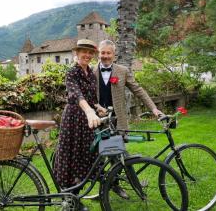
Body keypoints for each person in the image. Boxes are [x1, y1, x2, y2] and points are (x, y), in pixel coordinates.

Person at [93, 39, 163, 199]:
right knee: (99, 157)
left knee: (119, 154)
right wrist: (96, 108)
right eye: (102, 53)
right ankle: (107, 186)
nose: (105, 56)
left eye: (108, 53)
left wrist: (154, 108)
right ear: (99, 53)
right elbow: (87, 96)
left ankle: (117, 186)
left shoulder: (122, 71)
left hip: (118, 121)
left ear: (114, 54)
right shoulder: (91, 72)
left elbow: (139, 90)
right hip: (98, 122)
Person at [53, 39, 104, 211]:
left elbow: (90, 98)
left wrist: (97, 107)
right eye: (84, 51)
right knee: (71, 157)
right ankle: (69, 199)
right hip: (74, 119)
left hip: (88, 121)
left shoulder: (90, 73)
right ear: (77, 52)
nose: (88, 55)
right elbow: (76, 94)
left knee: (85, 157)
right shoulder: (72, 72)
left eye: (91, 52)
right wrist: (89, 111)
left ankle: (75, 196)